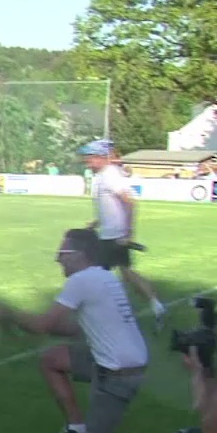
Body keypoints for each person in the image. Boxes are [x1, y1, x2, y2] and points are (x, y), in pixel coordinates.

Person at [0, 227, 208, 433]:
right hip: (121, 361)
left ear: (80, 255)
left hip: (118, 373)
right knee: (51, 359)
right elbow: (77, 328)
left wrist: (8, 313)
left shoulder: (81, 281)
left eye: (62, 253)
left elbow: (42, 326)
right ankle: (77, 428)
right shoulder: (103, 277)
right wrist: (19, 321)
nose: (58, 259)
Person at [80, 139, 166, 330]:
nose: (88, 163)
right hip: (110, 234)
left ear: (101, 158)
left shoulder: (110, 176)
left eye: (90, 159)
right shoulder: (103, 176)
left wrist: (129, 232)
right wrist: (95, 223)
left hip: (114, 237)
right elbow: (110, 207)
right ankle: (156, 305)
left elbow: (130, 202)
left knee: (96, 274)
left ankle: (100, 314)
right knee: (126, 274)